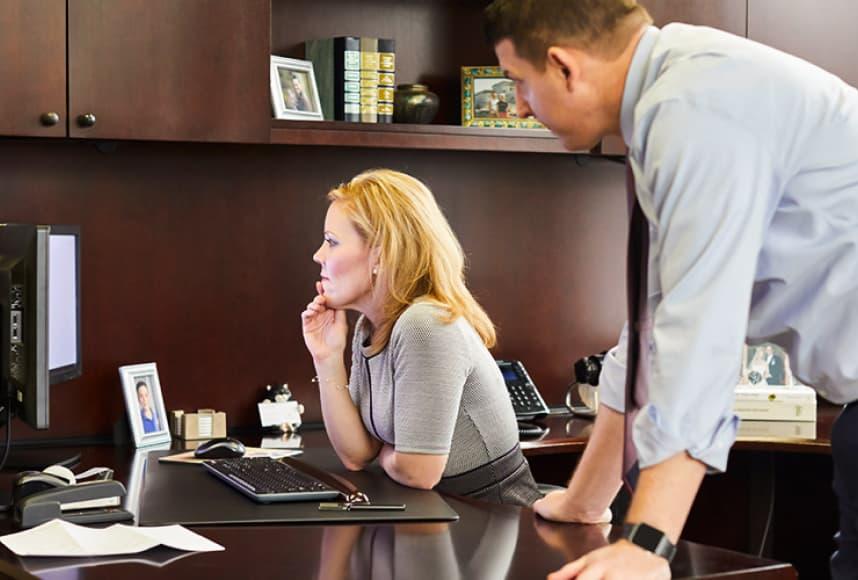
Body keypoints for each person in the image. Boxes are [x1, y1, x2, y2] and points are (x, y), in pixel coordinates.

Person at [484, 1, 858, 578]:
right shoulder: (674, 92)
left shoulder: (695, 108)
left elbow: (700, 336)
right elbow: (649, 334)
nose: (518, 106)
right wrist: (586, 500)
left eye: (517, 82)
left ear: (563, 66)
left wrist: (647, 544)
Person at [301, 168, 541, 506]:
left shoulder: (424, 325)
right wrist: (326, 358)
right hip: (443, 515)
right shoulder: (371, 326)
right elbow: (356, 454)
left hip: (492, 520)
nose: (319, 255)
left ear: (381, 254)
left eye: (332, 242)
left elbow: (419, 472)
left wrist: (387, 456)